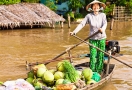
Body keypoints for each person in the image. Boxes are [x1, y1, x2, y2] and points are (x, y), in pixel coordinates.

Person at [70, 0, 107, 74]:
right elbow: (82, 24)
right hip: (92, 39)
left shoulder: (103, 15)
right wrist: (74, 32)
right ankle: (92, 72)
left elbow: (105, 24)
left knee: (100, 55)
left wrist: (102, 29)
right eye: (94, 6)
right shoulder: (89, 16)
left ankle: (99, 71)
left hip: (101, 38)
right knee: (93, 56)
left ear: (99, 7)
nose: (95, 7)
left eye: (97, 5)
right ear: (91, 7)